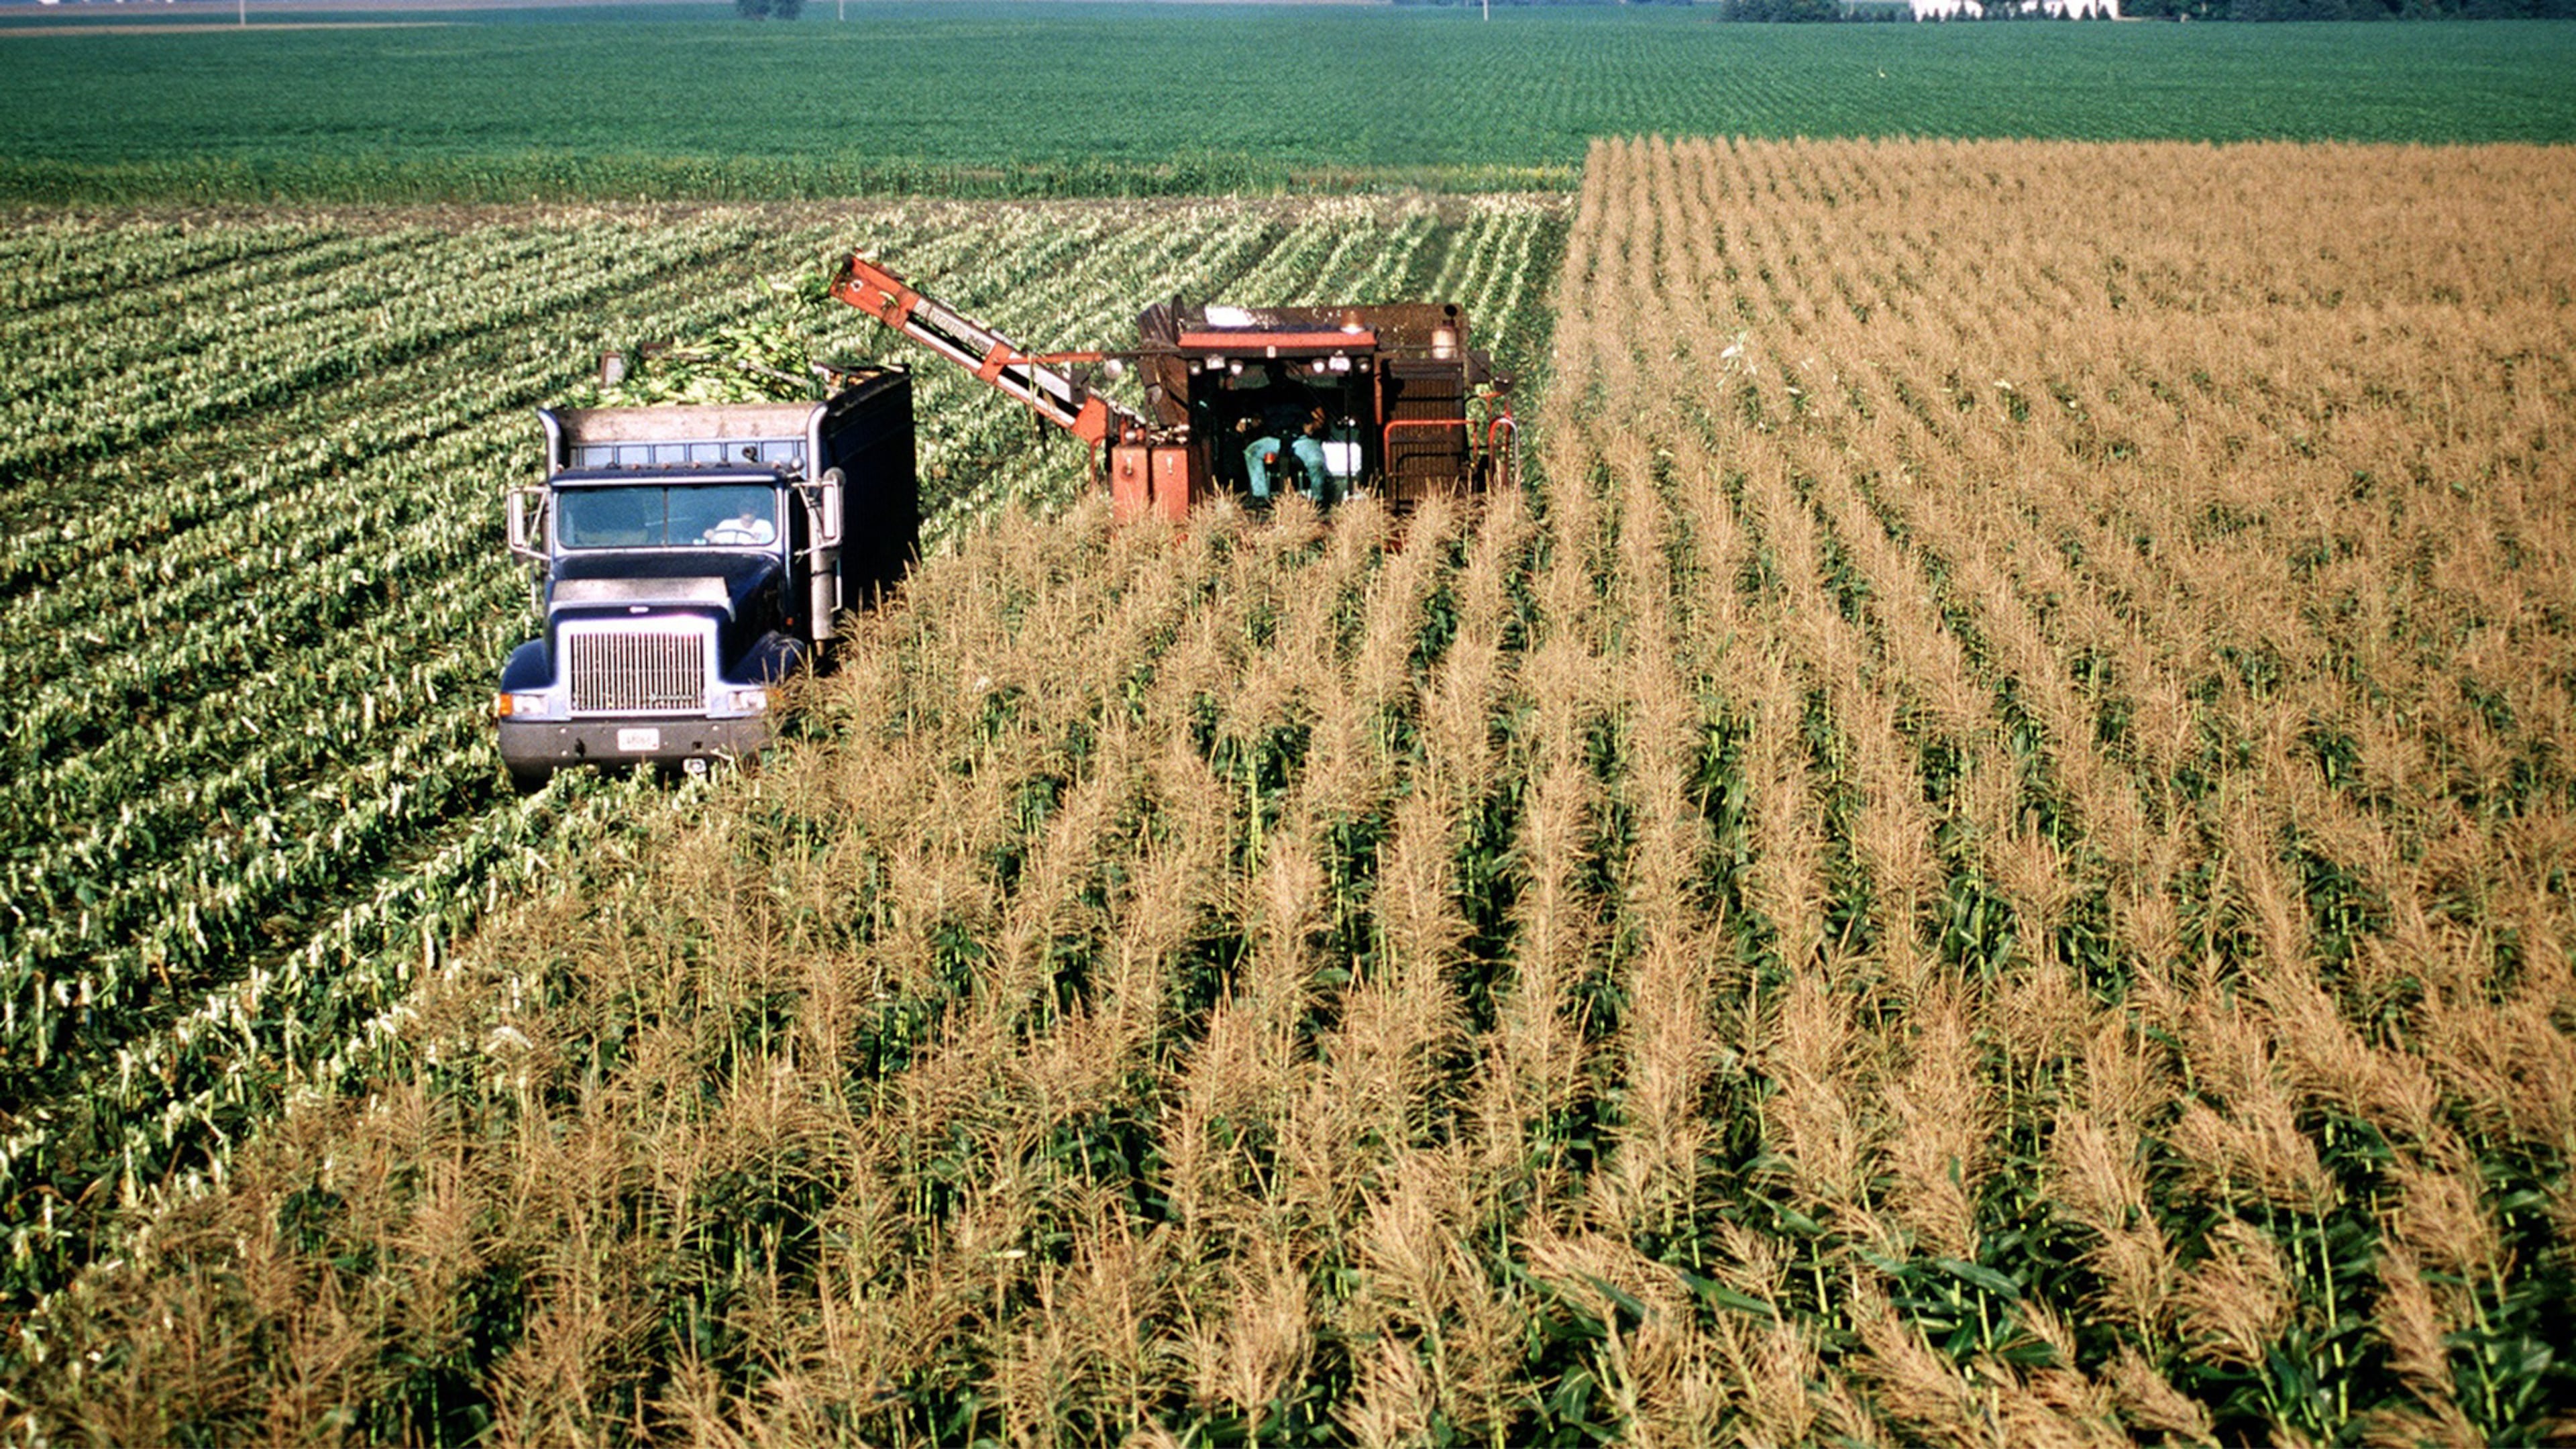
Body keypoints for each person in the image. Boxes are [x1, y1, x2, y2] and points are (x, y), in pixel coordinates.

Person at [1240, 403, 1334, 503]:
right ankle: (1261, 496)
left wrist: (1313, 426)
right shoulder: (1266, 395)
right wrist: (1246, 422)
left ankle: (1317, 499)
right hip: (1274, 438)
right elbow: (1256, 418)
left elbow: (1320, 418)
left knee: (1316, 460)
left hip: (1302, 438)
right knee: (1252, 452)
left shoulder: (1306, 395)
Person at [702, 502, 777, 545]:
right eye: (745, 507)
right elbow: (716, 543)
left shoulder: (765, 525)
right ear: (739, 509)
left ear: (757, 510)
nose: (748, 510)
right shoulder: (726, 524)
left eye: (752, 507)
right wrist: (710, 535)